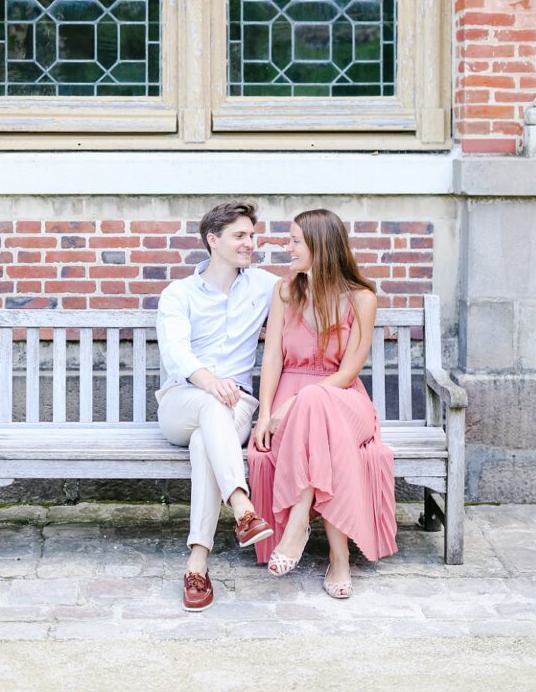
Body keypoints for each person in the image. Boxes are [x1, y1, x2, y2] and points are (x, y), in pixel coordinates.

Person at [248, 209, 398, 598]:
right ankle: (339, 557)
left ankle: (299, 522)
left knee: (316, 399)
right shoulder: (285, 291)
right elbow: (273, 358)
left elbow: (348, 372)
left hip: (344, 400)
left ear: (320, 245)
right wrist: (265, 414)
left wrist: (297, 400)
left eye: (295, 240)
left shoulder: (361, 298)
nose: (288, 246)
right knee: (319, 428)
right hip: (292, 402)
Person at [156, 201, 280, 612]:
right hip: (182, 401)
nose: (251, 243)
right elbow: (176, 352)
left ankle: (198, 562)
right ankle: (242, 506)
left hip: (238, 407)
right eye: (240, 236)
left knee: (203, 445)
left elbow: (316, 279)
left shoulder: (264, 285)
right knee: (211, 409)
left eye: (252, 235)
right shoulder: (179, 294)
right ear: (213, 240)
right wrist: (210, 382)